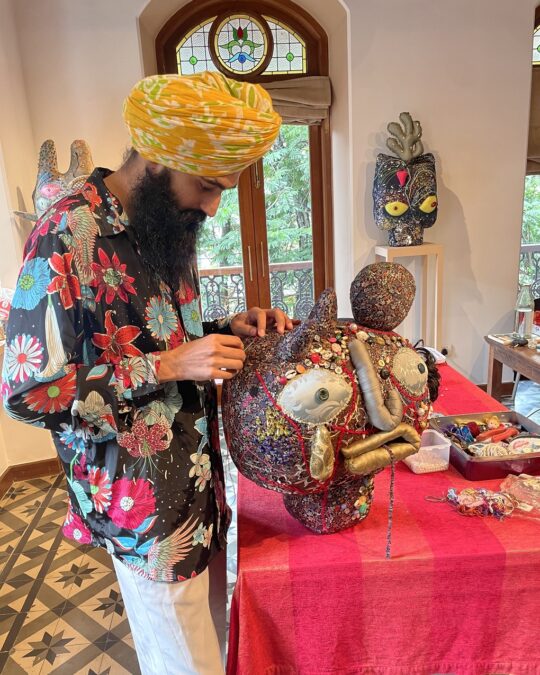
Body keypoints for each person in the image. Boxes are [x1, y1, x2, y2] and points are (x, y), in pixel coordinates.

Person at [2, 71, 290, 674]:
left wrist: (221, 330)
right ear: (157, 160)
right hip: (143, 510)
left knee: (213, 643)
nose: (213, 208)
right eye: (208, 187)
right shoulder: (64, 236)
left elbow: (158, 331)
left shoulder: (164, 225)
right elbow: (27, 393)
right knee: (184, 664)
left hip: (198, 492)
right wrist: (165, 364)